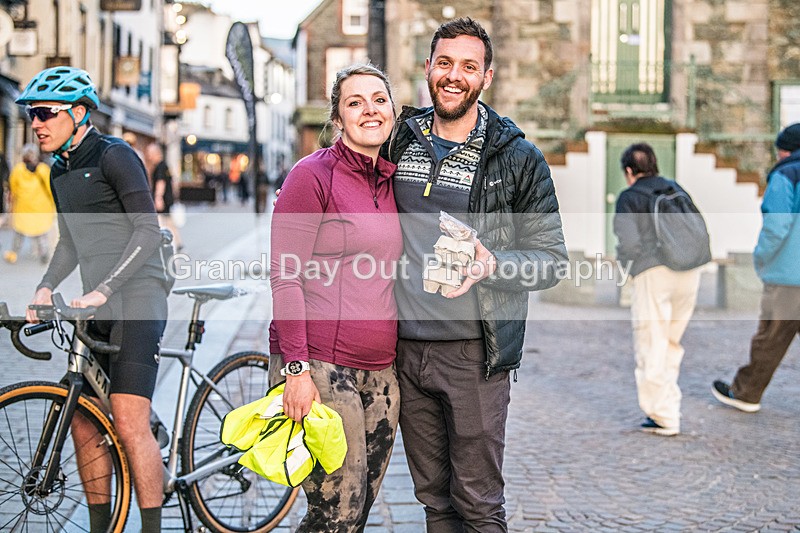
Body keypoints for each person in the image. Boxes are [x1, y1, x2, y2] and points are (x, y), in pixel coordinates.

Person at [381, 18, 567, 531]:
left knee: (479, 504)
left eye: (468, 66)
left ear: (487, 77)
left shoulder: (520, 159)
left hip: (475, 356)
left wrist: (492, 264)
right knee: (434, 502)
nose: (454, 75)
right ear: (427, 69)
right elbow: (344, 168)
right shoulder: (400, 140)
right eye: (445, 63)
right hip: (405, 351)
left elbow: (551, 259)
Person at [17, 66, 169, 533]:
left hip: (138, 297)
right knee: (83, 420)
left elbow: (148, 229)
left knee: (127, 420)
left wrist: (104, 288)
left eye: (45, 113)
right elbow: (69, 241)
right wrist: (45, 285)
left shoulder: (115, 156)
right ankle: (102, 526)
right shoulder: (58, 170)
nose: (36, 123)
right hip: (93, 304)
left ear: (79, 113)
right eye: (31, 115)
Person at [268, 64, 402, 531]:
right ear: (338, 118)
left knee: (356, 513)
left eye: (379, 99)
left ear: (393, 111)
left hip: (382, 374)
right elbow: (285, 276)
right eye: (354, 102)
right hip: (321, 367)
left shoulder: (391, 180)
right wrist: (297, 369)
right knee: (335, 516)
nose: (369, 109)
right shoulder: (312, 175)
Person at [613, 143, 703, 437]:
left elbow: (628, 241)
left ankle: (664, 416)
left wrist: (629, 269)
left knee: (651, 342)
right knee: (672, 341)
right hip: (689, 271)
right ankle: (669, 407)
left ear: (629, 171)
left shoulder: (629, 197)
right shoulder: (674, 187)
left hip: (653, 272)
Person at [712, 124, 800, 413]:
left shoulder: (787, 173)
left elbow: (777, 225)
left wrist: (761, 258)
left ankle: (746, 393)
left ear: (786, 149)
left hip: (789, 275)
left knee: (771, 338)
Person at [3, 143, 55, 264]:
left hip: (23, 207)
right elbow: (50, 188)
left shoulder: (18, 169)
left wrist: (11, 203)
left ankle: (13, 253)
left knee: (19, 232)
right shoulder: (43, 169)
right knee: (41, 232)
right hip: (41, 207)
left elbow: (13, 188)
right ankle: (44, 254)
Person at [144, 142, 183, 251]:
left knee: (162, 220)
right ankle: (178, 243)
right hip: (167, 198)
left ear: (156, 153)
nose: (148, 156)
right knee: (169, 221)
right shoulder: (164, 165)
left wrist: (158, 197)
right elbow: (173, 181)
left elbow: (161, 182)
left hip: (163, 199)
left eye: (149, 153)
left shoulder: (160, 166)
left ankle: (163, 243)